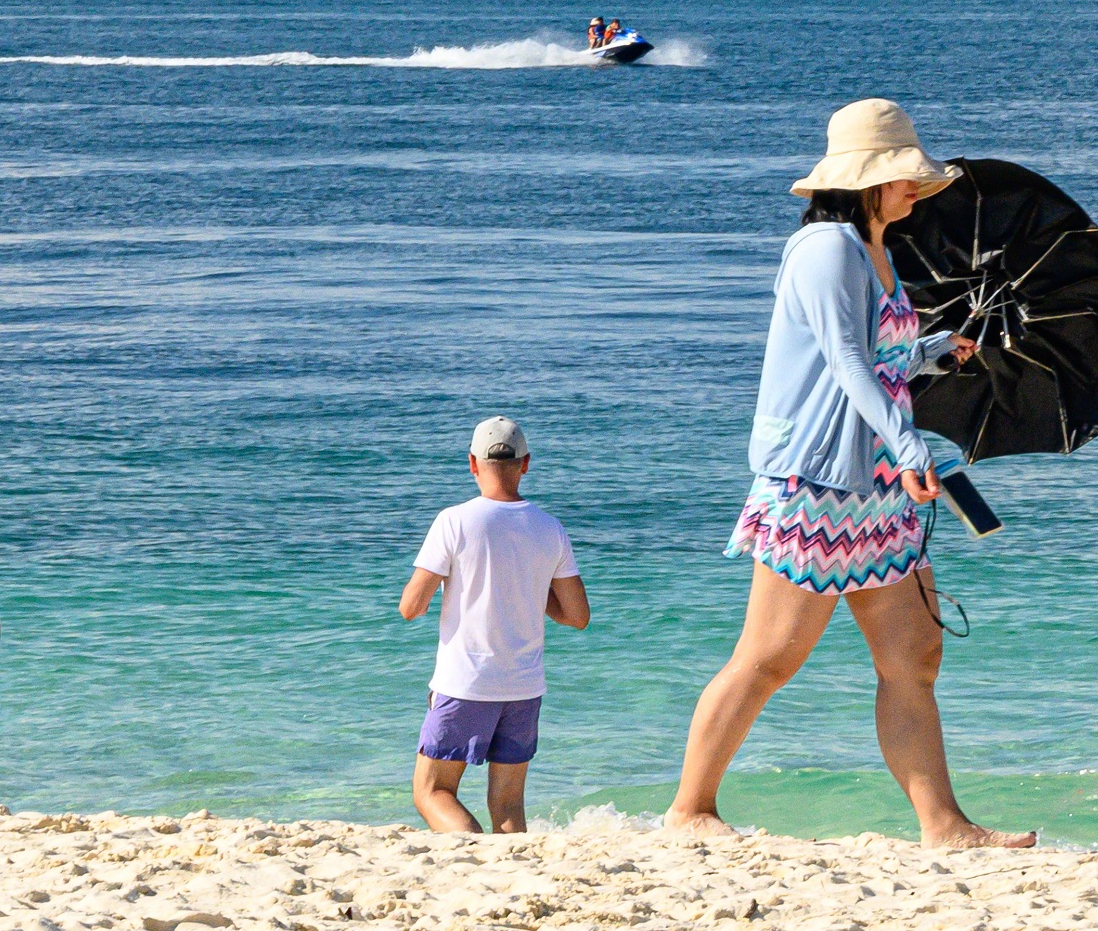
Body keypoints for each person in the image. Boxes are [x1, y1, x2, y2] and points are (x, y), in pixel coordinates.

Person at [666, 97, 1028, 849]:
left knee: (914, 657)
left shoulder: (876, 249)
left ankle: (944, 823)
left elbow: (878, 357)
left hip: (877, 491)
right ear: (867, 179)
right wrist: (909, 445)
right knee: (768, 658)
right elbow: (845, 360)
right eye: (903, 176)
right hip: (819, 485)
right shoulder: (826, 249)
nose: (914, 189)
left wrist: (934, 348)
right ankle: (689, 808)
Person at [400, 415, 589, 833]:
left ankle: (474, 856)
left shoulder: (454, 521)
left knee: (432, 792)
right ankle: (513, 872)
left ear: (472, 463)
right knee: (507, 804)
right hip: (523, 687)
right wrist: (526, 591)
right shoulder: (550, 528)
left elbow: (411, 606)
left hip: (465, 682)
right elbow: (577, 617)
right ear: (525, 463)